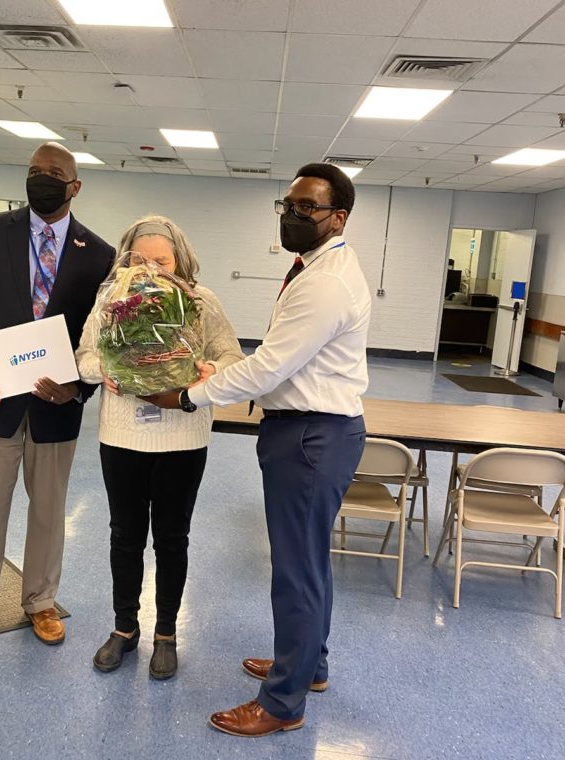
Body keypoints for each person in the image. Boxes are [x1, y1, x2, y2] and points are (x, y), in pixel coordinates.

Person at [144, 164, 371, 735]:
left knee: (296, 570)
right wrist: (223, 372)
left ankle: (282, 702)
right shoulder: (317, 267)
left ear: (337, 218)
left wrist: (191, 395)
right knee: (310, 561)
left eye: (306, 209)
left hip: (310, 437)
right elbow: (278, 360)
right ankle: (307, 663)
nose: (292, 217)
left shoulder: (324, 282)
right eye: (286, 206)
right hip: (313, 429)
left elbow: (272, 365)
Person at [0, 142, 115, 660]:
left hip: (56, 408)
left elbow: (102, 341)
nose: (41, 179)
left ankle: (40, 600)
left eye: (53, 173)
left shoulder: (99, 254)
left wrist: (79, 388)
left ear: (74, 186)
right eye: (34, 171)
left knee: (49, 513)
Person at [75, 216, 243, 680]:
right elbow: (85, 354)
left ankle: (165, 633)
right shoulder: (112, 299)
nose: (151, 268)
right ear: (125, 260)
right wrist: (101, 370)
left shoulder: (199, 301)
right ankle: (125, 628)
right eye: (140, 259)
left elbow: (232, 357)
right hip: (122, 436)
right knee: (124, 536)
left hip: (182, 438)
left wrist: (210, 369)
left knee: (172, 538)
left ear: (180, 260)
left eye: (161, 260)